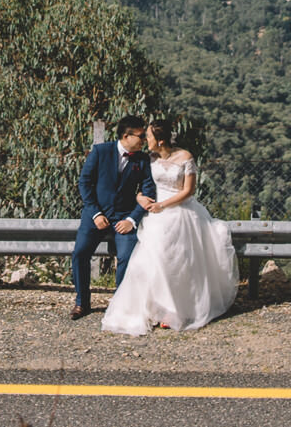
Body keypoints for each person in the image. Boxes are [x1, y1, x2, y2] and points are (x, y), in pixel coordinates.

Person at [99, 118, 237, 335]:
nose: (145, 140)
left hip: (180, 211)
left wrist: (162, 205)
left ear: (161, 141)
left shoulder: (185, 157)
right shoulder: (148, 158)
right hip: (155, 212)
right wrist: (140, 199)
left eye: (149, 137)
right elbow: (137, 186)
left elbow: (188, 191)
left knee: (178, 262)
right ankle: (151, 306)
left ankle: (174, 310)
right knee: (152, 259)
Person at [70, 117, 155, 320]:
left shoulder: (142, 160)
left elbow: (148, 190)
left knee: (126, 257)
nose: (144, 140)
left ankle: (120, 303)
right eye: (141, 136)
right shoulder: (100, 151)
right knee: (80, 253)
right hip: (95, 216)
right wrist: (96, 213)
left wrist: (132, 219)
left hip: (124, 219)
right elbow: (85, 183)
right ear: (126, 136)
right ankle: (82, 302)